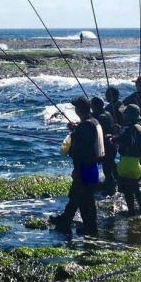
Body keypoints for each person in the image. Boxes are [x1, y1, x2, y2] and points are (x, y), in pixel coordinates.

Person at [49, 97, 104, 235]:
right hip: (92, 168)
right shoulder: (94, 122)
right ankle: (65, 220)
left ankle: (90, 228)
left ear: (79, 109)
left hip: (84, 168)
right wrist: (76, 129)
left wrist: (77, 170)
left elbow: (81, 151)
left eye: (76, 107)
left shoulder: (85, 126)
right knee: (76, 195)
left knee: (85, 200)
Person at [116, 104, 141, 216]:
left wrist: (113, 137)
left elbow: (123, 140)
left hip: (129, 160)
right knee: (135, 186)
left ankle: (131, 211)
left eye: (125, 113)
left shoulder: (131, 128)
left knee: (127, 188)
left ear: (130, 115)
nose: (124, 115)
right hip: (138, 160)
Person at [91, 97, 118, 195]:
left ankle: (111, 190)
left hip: (106, 146)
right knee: (111, 165)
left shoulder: (100, 117)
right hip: (112, 145)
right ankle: (119, 183)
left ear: (94, 106)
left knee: (107, 169)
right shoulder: (108, 113)